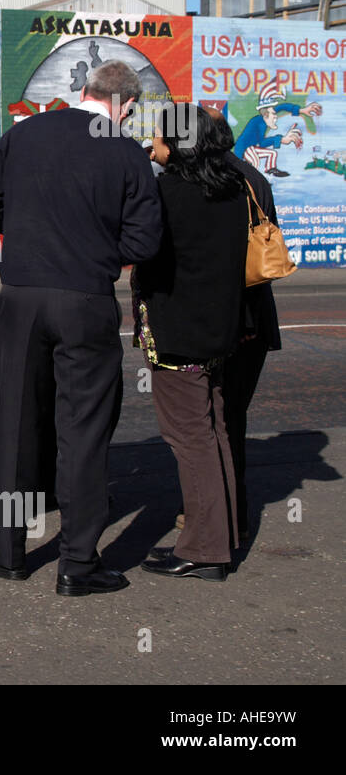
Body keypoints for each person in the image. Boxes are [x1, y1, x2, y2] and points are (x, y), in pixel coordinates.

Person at [0, 60, 161, 597]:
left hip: (22, 295)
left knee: (16, 424)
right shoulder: (126, 152)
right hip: (85, 299)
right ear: (125, 105)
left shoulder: (27, 133)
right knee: (84, 430)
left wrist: (27, 234)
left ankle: (6, 553)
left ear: (84, 90)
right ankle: (77, 563)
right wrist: (95, 252)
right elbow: (145, 241)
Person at [136, 104, 249, 581]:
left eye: (160, 137)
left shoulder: (169, 194)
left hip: (179, 336)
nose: (153, 143)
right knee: (214, 430)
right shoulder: (231, 189)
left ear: (179, 146)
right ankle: (221, 536)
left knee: (190, 439)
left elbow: (141, 251)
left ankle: (204, 549)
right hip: (218, 333)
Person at [203, 105, 281, 543]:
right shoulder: (255, 179)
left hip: (236, 319)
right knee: (231, 417)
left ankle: (225, 517)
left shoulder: (219, 181)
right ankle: (231, 514)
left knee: (220, 420)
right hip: (251, 319)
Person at [231, 83, 321, 177]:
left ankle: (271, 169)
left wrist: (301, 110)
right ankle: (255, 180)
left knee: (272, 153)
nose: (275, 117)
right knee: (255, 161)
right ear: (266, 115)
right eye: (273, 114)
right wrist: (281, 139)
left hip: (252, 148)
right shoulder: (258, 123)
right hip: (244, 150)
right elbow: (262, 143)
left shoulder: (266, 117)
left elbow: (282, 107)